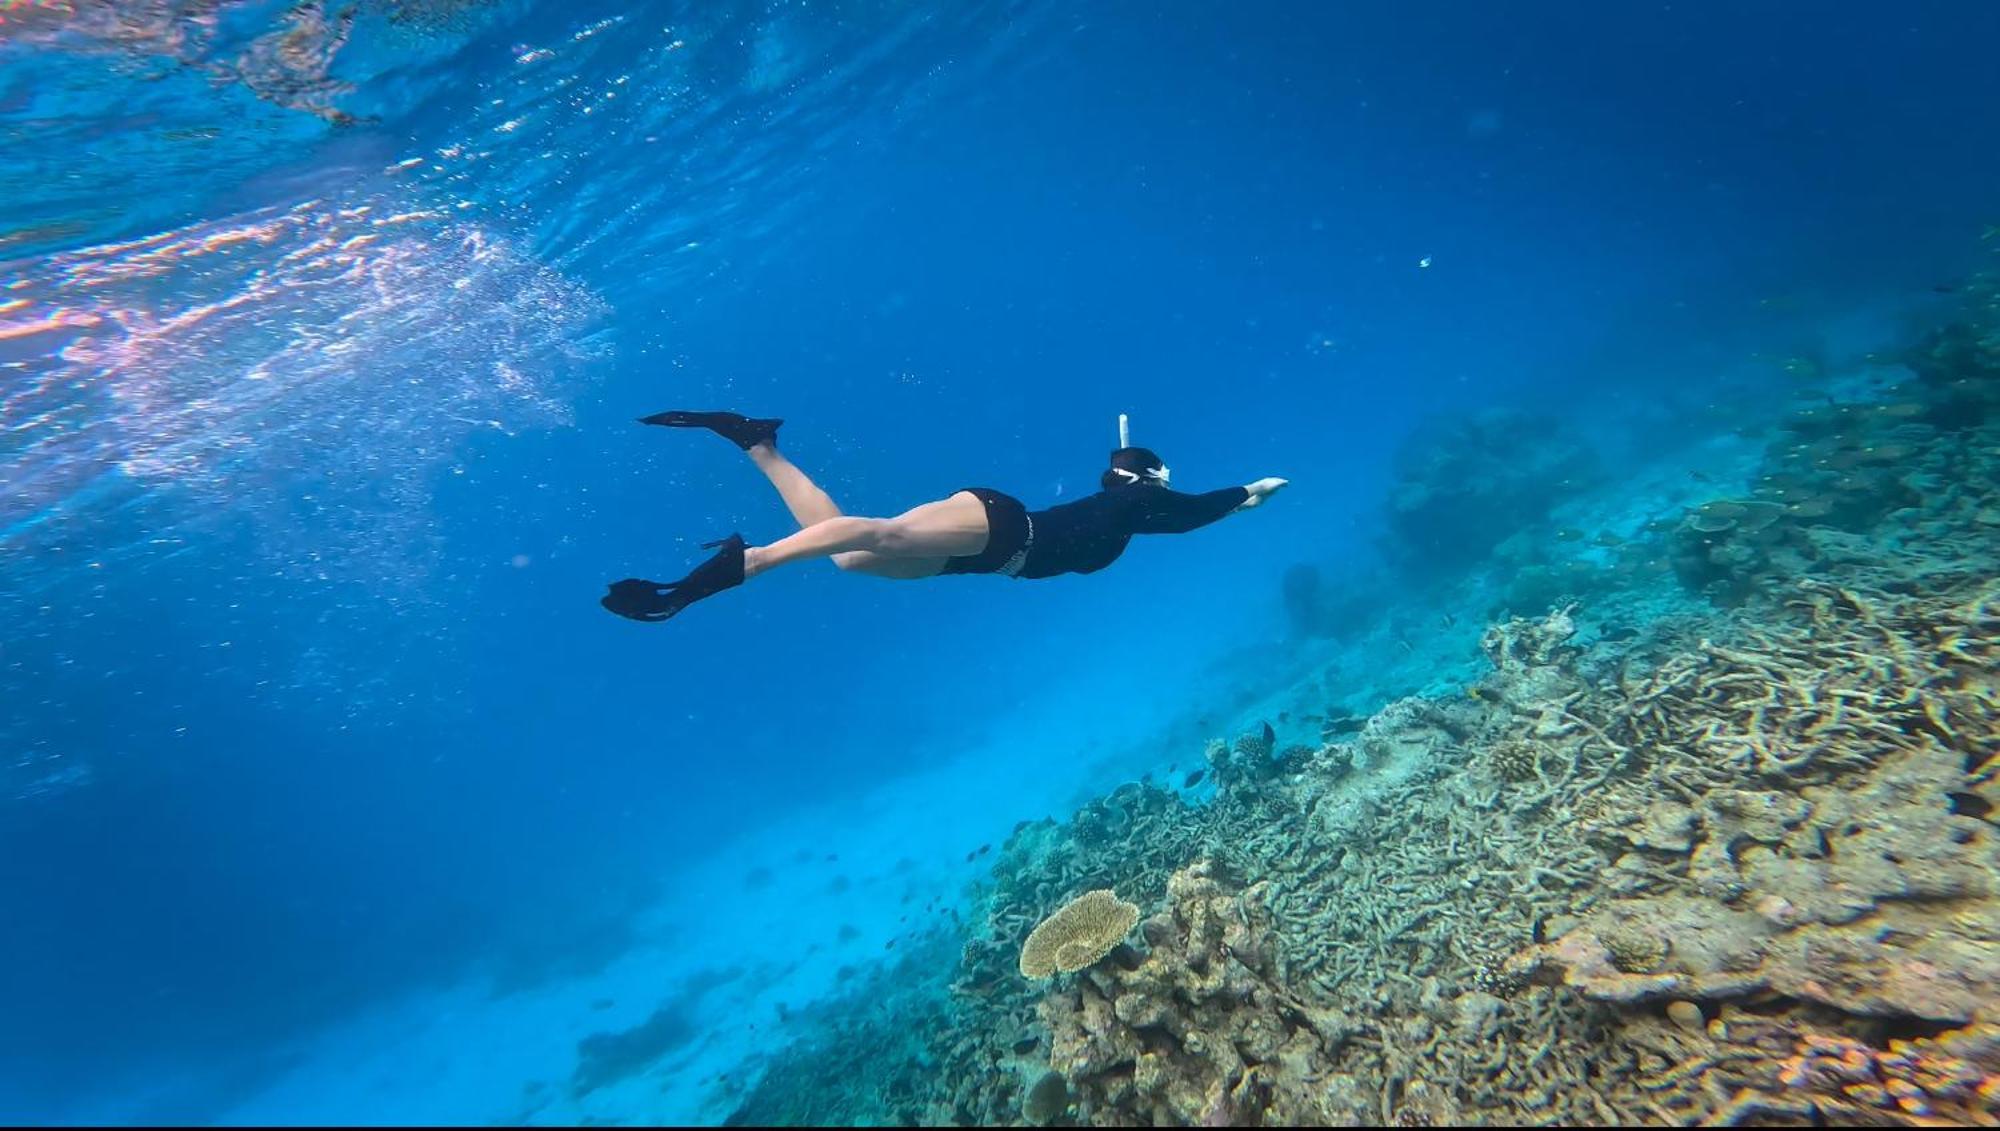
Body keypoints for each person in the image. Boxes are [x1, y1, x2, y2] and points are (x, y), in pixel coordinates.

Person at [600, 410, 1288, 623]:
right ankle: (743, 564)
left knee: (850, 554)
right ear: (1151, 477)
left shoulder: (1135, 508)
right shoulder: (1137, 497)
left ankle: (757, 442)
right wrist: (1248, 493)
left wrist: (1235, 502)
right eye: (1158, 479)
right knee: (883, 534)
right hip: (1001, 524)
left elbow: (1179, 517)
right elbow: (1188, 510)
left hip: (985, 555)